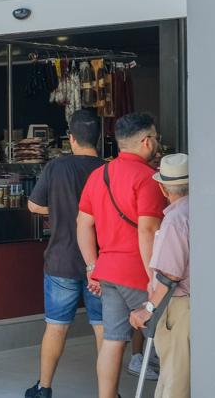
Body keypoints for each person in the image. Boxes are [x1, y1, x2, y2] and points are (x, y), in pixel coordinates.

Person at [76, 112, 166, 398]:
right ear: (146, 141)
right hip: (137, 273)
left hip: (108, 272)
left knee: (113, 341)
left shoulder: (99, 175)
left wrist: (92, 265)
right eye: (156, 138)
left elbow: (83, 223)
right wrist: (155, 281)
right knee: (167, 339)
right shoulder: (148, 179)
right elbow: (147, 232)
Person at [24, 110, 107, 398]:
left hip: (61, 260)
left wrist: (59, 211)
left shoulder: (56, 167)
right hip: (101, 264)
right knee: (103, 331)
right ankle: (107, 393)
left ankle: (43, 388)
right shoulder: (106, 170)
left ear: (71, 137)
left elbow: (33, 206)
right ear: (99, 137)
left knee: (56, 328)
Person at [129, 153, 190, 398]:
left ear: (163, 188)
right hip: (189, 303)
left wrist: (148, 309)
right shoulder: (198, 210)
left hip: (177, 306)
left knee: (175, 377)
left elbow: (168, 275)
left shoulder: (175, 220)